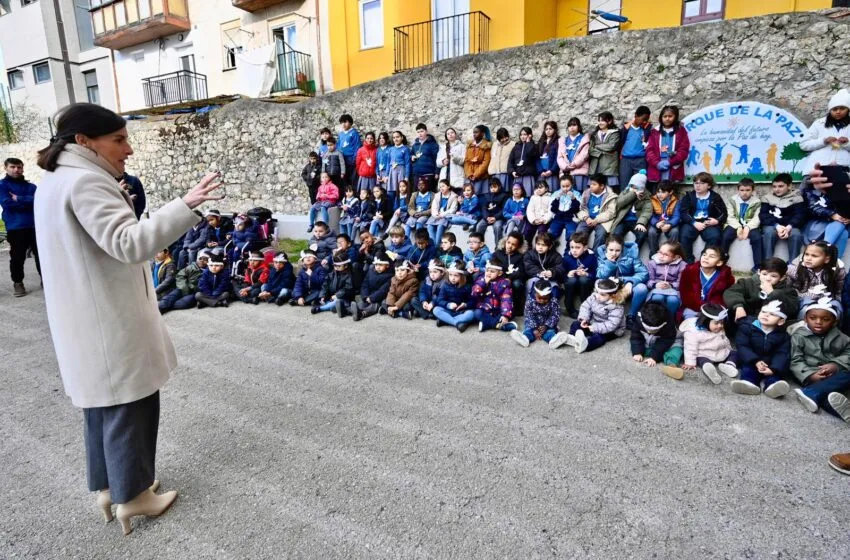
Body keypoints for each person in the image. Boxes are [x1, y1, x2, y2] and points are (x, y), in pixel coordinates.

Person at [34, 103, 223, 535]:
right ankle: (135, 496)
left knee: (102, 408)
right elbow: (128, 243)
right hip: (108, 320)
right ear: (84, 141)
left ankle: (109, 488)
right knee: (132, 405)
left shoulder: (57, 180)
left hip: (88, 317)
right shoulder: (85, 181)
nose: (129, 149)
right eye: (119, 140)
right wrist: (186, 205)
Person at [791, 297, 850, 423]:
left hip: (834, 374)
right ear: (805, 319)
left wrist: (835, 364)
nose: (818, 322)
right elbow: (795, 360)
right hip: (812, 376)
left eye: (826, 319)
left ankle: (815, 394)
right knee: (840, 381)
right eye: (813, 318)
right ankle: (811, 391)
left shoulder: (840, 336)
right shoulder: (799, 336)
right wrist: (810, 375)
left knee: (829, 397)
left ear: (834, 322)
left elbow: (848, 351)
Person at [730, 300, 792, 398]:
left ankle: (772, 387)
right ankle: (749, 383)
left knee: (775, 375)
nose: (766, 315)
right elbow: (742, 345)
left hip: (771, 363)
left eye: (772, 314)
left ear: (781, 321)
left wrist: (774, 368)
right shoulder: (747, 327)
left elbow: (782, 353)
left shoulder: (783, 336)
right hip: (752, 359)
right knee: (748, 370)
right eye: (763, 312)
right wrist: (755, 361)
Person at [664, 303, 737, 385]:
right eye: (716, 323)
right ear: (705, 321)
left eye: (722, 323)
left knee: (735, 353)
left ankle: (729, 365)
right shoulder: (693, 331)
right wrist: (690, 362)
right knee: (702, 360)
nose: (720, 326)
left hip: (720, 351)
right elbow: (690, 347)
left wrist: (729, 349)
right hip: (703, 354)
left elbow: (724, 339)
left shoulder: (718, 328)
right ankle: (708, 368)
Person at [0, 157, 40, 297]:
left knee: (41, 256)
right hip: (16, 228)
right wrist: (29, 201)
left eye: (19, 167)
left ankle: (46, 280)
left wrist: (19, 199)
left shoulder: (32, 187)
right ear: (6, 168)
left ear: (23, 168)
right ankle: (18, 283)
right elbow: (7, 204)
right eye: (13, 167)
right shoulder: (2, 186)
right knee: (17, 257)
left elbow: (40, 201)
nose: (16, 170)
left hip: (36, 226)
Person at [595, 233, 649, 328]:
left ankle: (631, 316)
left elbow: (643, 273)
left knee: (642, 288)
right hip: (610, 286)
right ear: (606, 248)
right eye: (611, 250)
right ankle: (605, 314)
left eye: (617, 250)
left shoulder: (631, 254)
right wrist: (609, 263)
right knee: (598, 284)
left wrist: (630, 282)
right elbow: (600, 276)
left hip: (628, 286)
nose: (614, 253)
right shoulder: (602, 255)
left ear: (622, 249)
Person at [724, 257, 799, 323]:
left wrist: (772, 293)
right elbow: (732, 292)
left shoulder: (788, 290)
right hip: (746, 319)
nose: (768, 278)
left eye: (773, 276)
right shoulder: (748, 283)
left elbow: (792, 309)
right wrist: (738, 306)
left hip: (771, 325)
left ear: (782, 277)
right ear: (759, 272)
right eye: (764, 274)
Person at [560, 278, 625, 353]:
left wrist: (595, 327)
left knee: (600, 337)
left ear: (613, 296)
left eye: (602, 295)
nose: (598, 296)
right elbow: (585, 307)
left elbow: (612, 324)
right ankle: (571, 338)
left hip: (612, 331)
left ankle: (586, 345)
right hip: (593, 323)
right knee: (576, 324)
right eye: (597, 292)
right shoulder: (593, 297)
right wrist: (584, 319)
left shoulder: (616, 307)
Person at [678, 172, 727, 263]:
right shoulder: (689, 196)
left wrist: (716, 221)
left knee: (715, 236)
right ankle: (688, 261)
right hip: (692, 222)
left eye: (702, 183)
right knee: (684, 235)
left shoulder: (715, 197)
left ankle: (704, 261)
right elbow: (683, 212)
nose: (698, 186)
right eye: (696, 183)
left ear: (709, 185)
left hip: (708, 223)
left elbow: (723, 213)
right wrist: (694, 223)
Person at [799, 89, 850, 175]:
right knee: (813, 188)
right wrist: (823, 141)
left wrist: (847, 143)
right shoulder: (819, 123)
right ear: (830, 110)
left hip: (843, 170)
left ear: (848, 110)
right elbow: (803, 144)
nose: (838, 112)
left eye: (842, 108)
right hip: (817, 168)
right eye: (834, 109)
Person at [786, 240, 845, 312]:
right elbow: (788, 292)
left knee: (837, 308)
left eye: (814, 256)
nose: (808, 258)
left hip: (826, 300)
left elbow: (837, 292)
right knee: (806, 310)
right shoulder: (794, 270)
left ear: (826, 259)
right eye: (806, 254)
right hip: (801, 300)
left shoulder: (836, 271)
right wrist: (810, 295)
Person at [678, 245, 734, 320]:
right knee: (690, 318)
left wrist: (711, 309)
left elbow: (723, 296)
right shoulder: (689, 271)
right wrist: (701, 307)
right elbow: (686, 294)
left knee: (719, 320)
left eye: (712, 256)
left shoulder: (725, 276)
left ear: (719, 262)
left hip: (714, 308)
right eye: (704, 254)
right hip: (693, 307)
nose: (706, 257)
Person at [759, 173, 805, 261]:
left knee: (796, 235)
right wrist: (777, 226)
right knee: (769, 234)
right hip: (772, 225)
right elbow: (764, 215)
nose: (777, 189)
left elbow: (799, 215)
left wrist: (788, 227)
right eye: (774, 186)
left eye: (780, 186)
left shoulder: (797, 198)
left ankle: (793, 266)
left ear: (789, 186)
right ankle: (767, 264)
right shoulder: (767, 198)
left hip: (791, 226)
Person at [721, 178, 763, 273]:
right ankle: (721, 262)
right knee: (726, 236)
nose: (744, 193)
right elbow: (729, 216)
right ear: (738, 190)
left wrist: (747, 227)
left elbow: (757, 218)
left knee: (757, 238)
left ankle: (758, 266)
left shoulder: (757, 202)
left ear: (753, 190)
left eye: (748, 190)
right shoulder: (732, 200)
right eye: (742, 190)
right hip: (734, 224)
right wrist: (739, 227)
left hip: (751, 225)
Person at [645, 105, 690, 191]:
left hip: (672, 164)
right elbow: (649, 150)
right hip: (657, 165)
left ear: (675, 117)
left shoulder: (681, 131)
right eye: (665, 116)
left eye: (670, 116)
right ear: (661, 117)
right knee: (657, 192)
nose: (667, 119)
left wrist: (671, 162)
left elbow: (683, 150)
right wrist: (657, 163)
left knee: (671, 191)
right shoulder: (654, 132)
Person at [467, 255, 517, 333]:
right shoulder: (481, 279)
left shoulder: (504, 283)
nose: (488, 273)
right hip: (485, 309)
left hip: (498, 310)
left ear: (500, 273)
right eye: (487, 270)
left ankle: (486, 324)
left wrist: (505, 315)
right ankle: (501, 326)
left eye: (492, 271)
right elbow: (474, 294)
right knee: (477, 313)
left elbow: (506, 300)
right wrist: (483, 283)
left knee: (508, 314)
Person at [801, 176, 850, 256]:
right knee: (841, 225)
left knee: (843, 231)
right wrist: (832, 214)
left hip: (838, 226)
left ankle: (830, 260)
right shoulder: (810, 192)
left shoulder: (839, 194)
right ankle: (824, 252)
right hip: (816, 227)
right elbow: (813, 207)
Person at [511, 279, 564, 348]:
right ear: (535, 293)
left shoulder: (553, 301)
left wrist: (546, 326)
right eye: (539, 298)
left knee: (550, 332)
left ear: (549, 295)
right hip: (533, 323)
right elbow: (528, 315)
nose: (542, 301)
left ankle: (553, 341)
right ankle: (525, 339)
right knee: (528, 330)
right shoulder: (530, 301)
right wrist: (534, 329)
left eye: (545, 299)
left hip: (547, 324)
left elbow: (555, 315)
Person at [575, 173, 618, 252]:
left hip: (602, 221)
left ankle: (595, 256)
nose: (591, 186)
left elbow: (611, 212)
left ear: (602, 186)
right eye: (590, 184)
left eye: (594, 184)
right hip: (587, 219)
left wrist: (596, 220)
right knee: (579, 232)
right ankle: (581, 254)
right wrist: (586, 217)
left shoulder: (611, 196)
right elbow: (581, 208)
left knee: (601, 234)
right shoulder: (586, 193)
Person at [610, 170, 651, 250]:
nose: (633, 188)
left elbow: (647, 211)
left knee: (642, 235)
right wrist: (632, 194)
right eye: (631, 186)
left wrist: (641, 223)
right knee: (616, 234)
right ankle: (619, 252)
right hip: (623, 220)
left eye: (636, 187)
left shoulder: (646, 196)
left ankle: (632, 253)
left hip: (636, 221)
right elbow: (618, 204)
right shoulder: (626, 192)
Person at [159, 249, 209, 314]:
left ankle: (167, 307)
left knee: (185, 303)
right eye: (200, 259)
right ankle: (160, 309)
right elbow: (180, 276)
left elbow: (203, 286)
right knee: (170, 297)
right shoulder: (191, 267)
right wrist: (184, 288)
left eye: (205, 259)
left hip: (193, 292)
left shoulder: (208, 272)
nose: (202, 261)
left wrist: (192, 288)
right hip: (182, 288)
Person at [629, 301, 677, 369]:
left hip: (667, 342)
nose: (649, 331)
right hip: (648, 343)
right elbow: (635, 337)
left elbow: (666, 341)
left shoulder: (669, 323)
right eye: (647, 329)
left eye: (654, 330)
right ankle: (662, 357)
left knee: (676, 348)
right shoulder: (639, 318)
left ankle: (671, 364)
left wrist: (654, 357)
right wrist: (637, 352)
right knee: (638, 348)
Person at [646, 241, 687, 317]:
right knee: (657, 297)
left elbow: (681, 283)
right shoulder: (652, 263)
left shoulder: (682, 265)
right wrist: (655, 285)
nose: (661, 256)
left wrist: (671, 285)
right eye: (660, 252)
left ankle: (670, 320)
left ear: (675, 257)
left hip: (674, 291)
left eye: (666, 255)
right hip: (656, 289)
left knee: (673, 300)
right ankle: (655, 319)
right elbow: (648, 281)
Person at [562, 232, 597, 319]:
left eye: (577, 247)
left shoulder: (591, 257)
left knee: (583, 279)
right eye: (572, 247)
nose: (574, 250)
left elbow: (595, 274)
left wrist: (586, 274)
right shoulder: (567, 258)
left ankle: (585, 308)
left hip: (585, 285)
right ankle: (570, 308)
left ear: (585, 247)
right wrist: (568, 274)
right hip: (571, 284)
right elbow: (561, 274)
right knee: (571, 280)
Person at [350, 251, 393, 321]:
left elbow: (383, 290)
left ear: (387, 265)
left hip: (379, 299)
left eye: (380, 265)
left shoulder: (390, 276)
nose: (378, 267)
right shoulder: (371, 272)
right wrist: (365, 296)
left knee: (374, 306)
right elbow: (365, 284)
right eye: (376, 265)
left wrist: (372, 298)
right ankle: (346, 310)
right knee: (361, 304)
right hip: (368, 296)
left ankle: (362, 314)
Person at [618, 106, 652, 189]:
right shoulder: (626, 129)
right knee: (624, 185)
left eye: (646, 119)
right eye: (643, 119)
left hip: (640, 160)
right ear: (636, 116)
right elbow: (619, 139)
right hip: (626, 160)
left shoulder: (646, 129)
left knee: (640, 185)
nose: (644, 121)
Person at [432, 260, 473, 329]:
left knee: (471, 314)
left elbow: (472, 301)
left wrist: (465, 305)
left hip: (461, 311)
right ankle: (456, 323)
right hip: (448, 310)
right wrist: (448, 305)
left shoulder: (467, 286)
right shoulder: (445, 285)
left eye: (456, 276)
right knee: (436, 309)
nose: (453, 278)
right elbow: (440, 300)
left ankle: (446, 320)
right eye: (450, 275)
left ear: (462, 276)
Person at [492, 230, 527, 313]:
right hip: (499, 277)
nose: (509, 246)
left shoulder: (520, 257)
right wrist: (503, 278)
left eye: (513, 244)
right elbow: (493, 266)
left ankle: (516, 308)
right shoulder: (498, 253)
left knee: (517, 284)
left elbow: (521, 272)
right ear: (505, 241)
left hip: (514, 279)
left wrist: (510, 278)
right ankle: (496, 306)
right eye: (508, 242)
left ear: (518, 246)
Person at [523, 231, 564, 298]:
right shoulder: (530, 254)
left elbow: (560, 267)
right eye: (538, 244)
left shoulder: (556, 256)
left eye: (544, 245)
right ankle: (530, 306)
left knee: (555, 290)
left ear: (550, 246)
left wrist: (552, 272)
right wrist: (540, 272)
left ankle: (552, 307)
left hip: (550, 279)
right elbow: (528, 267)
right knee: (530, 285)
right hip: (535, 277)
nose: (540, 247)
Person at [587, 111, 620, 191]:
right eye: (599, 120)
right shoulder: (594, 134)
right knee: (595, 188)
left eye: (602, 120)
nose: (600, 123)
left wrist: (597, 146)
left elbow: (611, 146)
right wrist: (602, 152)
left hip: (609, 165)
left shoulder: (615, 133)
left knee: (609, 189)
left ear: (609, 121)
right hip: (596, 165)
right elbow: (590, 149)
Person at [647, 181, 681, 256]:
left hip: (669, 223)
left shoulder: (676, 201)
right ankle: (654, 254)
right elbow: (650, 214)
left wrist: (669, 224)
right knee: (651, 232)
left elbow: (677, 216)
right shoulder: (652, 200)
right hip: (657, 223)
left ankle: (671, 253)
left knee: (674, 231)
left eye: (663, 192)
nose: (659, 194)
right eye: (658, 192)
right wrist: (656, 223)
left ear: (670, 192)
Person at [557, 117, 590, 192]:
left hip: (579, 171)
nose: (572, 128)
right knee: (567, 194)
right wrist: (565, 166)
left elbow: (584, 155)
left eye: (574, 125)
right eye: (570, 126)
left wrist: (573, 165)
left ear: (579, 127)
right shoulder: (563, 140)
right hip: (566, 172)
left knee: (580, 193)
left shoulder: (584, 139)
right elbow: (559, 157)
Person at [508, 126, 540, 197]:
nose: (522, 136)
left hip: (528, 176)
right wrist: (512, 171)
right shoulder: (516, 147)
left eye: (525, 134)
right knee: (517, 196)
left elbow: (531, 154)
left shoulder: (534, 146)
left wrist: (528, 143)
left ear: (529, 135)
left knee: (528, 195)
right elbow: (510, 161)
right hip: (518, 176)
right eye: (521, 135)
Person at [548, 174, 581, 243]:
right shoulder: (556, 193)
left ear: (572, 184)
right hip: (558, 218)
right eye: (563, 186)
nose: (565, 188)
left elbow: (577, 209)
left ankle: (568, 251)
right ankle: (551, 249)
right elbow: (553, 209)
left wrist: (573, 199)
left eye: (567, 186)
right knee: (551, 233)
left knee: (571, 234)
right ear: (560, 185)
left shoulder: (576, 194)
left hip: (570, 219)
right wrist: (557, 199)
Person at [475, 177, 507, 246]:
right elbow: (484, 208)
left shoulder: (504, 196)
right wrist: (486, 217)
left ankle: (498, 248)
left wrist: (495, 218)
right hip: (488, 217)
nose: (493, 189)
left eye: (495, 186)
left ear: (499, 186)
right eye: (491, 187)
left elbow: (504, 210)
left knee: (497, 227)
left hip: (498, 218)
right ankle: (479, 246)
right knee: (479, 226)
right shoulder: (487, 196)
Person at [464, 125, 492, 196]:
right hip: (470, 175)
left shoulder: (486, 146)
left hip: (481, 176)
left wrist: (476, 175)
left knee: (479, 196)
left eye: (476, 132)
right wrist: (469, 174)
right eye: (473, 132)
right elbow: (467, 161)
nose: (474, 134)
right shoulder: (470, 146)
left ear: (482, 134)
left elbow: (486, 162)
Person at [411, 123, 439, 191]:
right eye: (418, 132)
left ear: (426, 131)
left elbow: (436, 159)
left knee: (429, 195)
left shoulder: (433, 144)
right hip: (417, 174)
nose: (420, 134)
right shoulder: (415, 145)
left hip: (429, 173)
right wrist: (411, 157)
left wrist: (437, 172)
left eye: (422, 131)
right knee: (416, 195)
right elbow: (411, 154)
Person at [387, 131, 412, 204]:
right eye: (394, 137)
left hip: (401, 171)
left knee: (401, 190)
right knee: (391, 191)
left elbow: (407, 163)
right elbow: (388, 162)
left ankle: (401, 208)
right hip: (392, 171)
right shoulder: (391, 149)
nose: (396, 139)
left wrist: (406, 176)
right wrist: (387, 175)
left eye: (397, 137)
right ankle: (391, 211)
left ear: (402, 137)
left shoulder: (405, 149)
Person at [337, 114, 361, 186]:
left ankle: (353, 194)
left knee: (352, 178)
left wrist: (354, 159)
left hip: (351, 159)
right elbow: (338, 145)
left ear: (350, 123)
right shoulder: (341, 134)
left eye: (345, 122)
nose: (343, 124)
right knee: (343, 178)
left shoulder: (354, 133)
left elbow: (357, 146)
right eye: (342, 122)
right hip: (342, 159)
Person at [537, 121, 560, 192]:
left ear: (554, 130)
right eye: (546, 129)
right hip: (542, 173)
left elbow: (558, 157)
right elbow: (537, 158)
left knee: (552, 192)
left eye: (550, 129)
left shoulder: (558, 141)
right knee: (541, 193)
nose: (548, 131)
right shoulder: (541, 142)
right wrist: (540, 170)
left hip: (552, 173)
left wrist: (551, 170)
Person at [488, 128, 511, 192]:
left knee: (505, 191)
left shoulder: (512, 144)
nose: (504, 139)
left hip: (505, 172)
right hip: (495, 172)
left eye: (505, 137)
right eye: (502, 138)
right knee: (495, 190)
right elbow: (492, 157)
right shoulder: (495, 144)